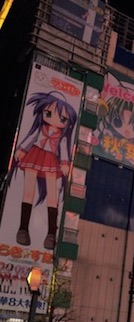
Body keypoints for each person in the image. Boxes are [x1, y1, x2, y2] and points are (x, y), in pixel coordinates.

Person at [11, 91, 77, 250]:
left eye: (62, 118)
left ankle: (51, 234)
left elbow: (64, 150)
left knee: (52, 196)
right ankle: (23, 229)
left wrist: (64, 163)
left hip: (51, 161)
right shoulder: (40, 129)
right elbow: (30, 138)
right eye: (49, 113)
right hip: (34, 156)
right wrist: (21, 150)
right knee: (28, 192)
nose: (55, 120)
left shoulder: (62, 136)